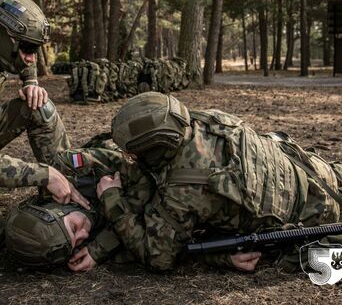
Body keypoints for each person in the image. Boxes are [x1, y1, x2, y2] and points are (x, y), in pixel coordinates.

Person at [88, 91, 342, 273]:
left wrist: (112, 200)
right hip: (316, 171)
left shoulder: (184, 188)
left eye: (133, 155)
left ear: (155, 152)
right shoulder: (207, 120)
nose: (129, 159)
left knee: (317, 261)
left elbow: (158, 257)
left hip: (316, 220)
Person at [0, 0, 88, 255]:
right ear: (2, 38)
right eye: (27, 49)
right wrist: (42, 174)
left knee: (38, 106)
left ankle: (66, 195)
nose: (31, 58)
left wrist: (31, 83)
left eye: (35, 49)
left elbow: (27, 63)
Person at [5, 145, 154, 270]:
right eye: (76, 243)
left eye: (74, 228)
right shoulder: (63, 241)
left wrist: (112, 198)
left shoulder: (69, 168)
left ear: (59, 209)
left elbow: (144, 179)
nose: (84, 235)